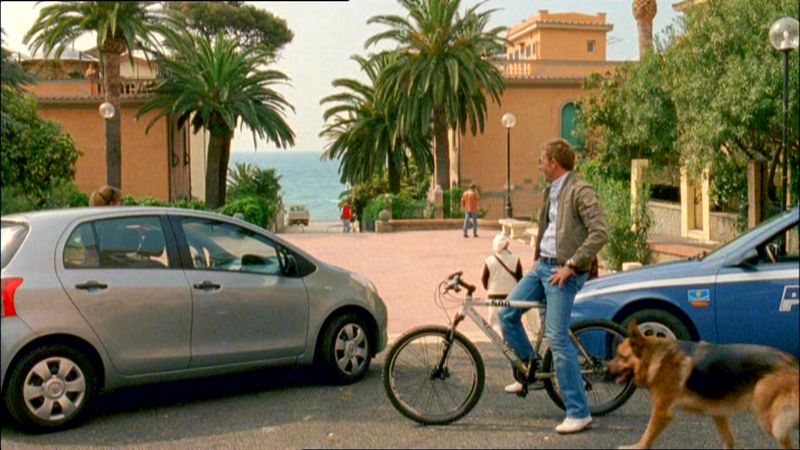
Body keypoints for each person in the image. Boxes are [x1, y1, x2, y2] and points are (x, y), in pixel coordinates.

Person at [499, 138, 608, 435]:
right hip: (542, 267)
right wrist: (537, 262)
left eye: (541, 160)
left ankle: (579, 412)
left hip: (565, 271)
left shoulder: (580, 190)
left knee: (557, 337)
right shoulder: (552, 191)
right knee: (507, 313)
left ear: (554, 163)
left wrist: (571, 265)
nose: (538, 166)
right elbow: (548, 230)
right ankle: (530, 369)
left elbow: (600, 232)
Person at [481, 233, 523, 336]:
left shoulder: (489, 261)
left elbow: (484, 279)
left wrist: (489, 288)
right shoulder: (515, 259)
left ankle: (499, 343)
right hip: (511, 295)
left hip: (493, 296)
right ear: (506, 245)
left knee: (495, 323)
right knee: (511, 321)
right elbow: (520, 278)